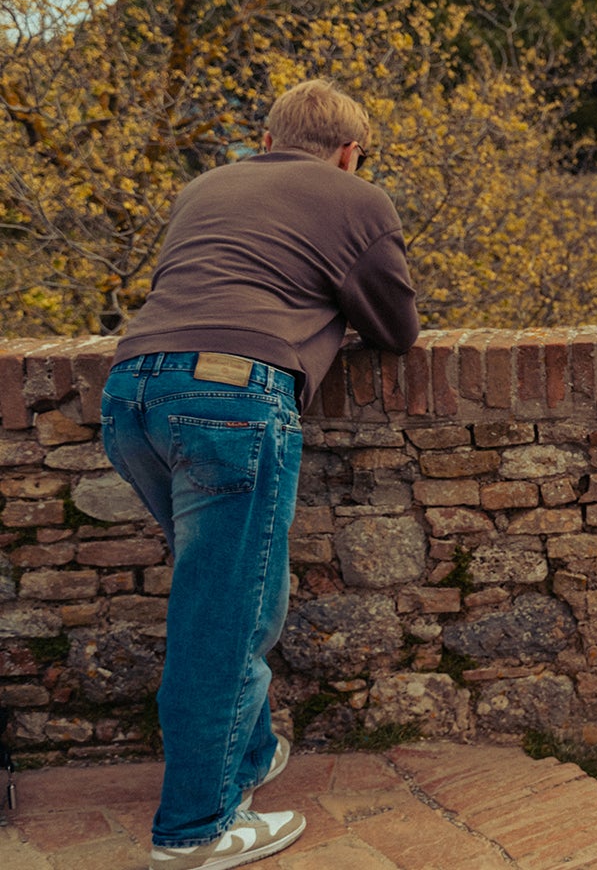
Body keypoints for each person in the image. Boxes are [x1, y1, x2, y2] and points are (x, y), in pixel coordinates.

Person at [101, 79, 419, 870]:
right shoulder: (357, 196)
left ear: (270, 139)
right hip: (230, 397)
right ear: (350, 151)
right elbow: (398, 329)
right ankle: (194, 831)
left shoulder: (205, 185)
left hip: (131, 392)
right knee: (226, 619)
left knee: (230, 597)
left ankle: (247, 758)